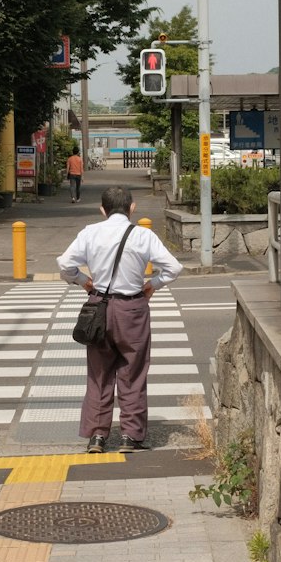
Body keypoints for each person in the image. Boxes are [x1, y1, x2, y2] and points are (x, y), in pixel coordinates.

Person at [57, 185, 182, 453]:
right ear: (132, 208)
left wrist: (84, 282)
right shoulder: (143, 235)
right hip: (133, 308)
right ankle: (130, 435)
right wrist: (152, 285)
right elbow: (174, 267)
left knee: (99, 373)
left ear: (102, 209)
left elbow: (65, 264)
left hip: (99, 306)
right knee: (133, 372)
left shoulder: (90, 233)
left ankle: (97, 437)